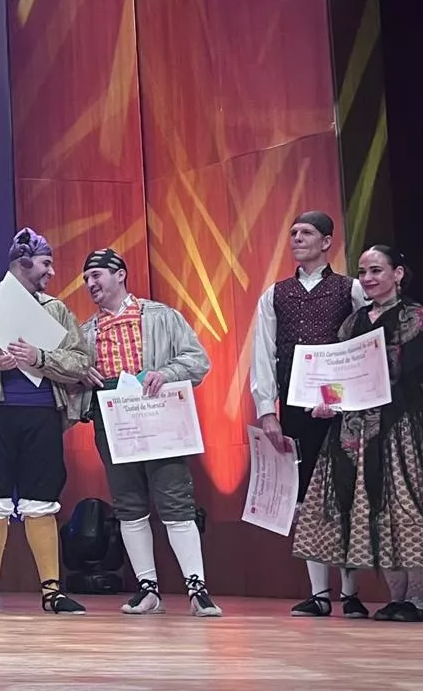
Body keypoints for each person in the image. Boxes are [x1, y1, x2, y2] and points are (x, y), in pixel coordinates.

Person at [0, 228, 92, 616]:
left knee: (42, 500)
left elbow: (80, 361)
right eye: (46, 263)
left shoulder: (56, 310)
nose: (52, 272)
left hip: (42, 415)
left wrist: (39, 357)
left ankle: (52, 591)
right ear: (23, 262)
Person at [78, 248, 220, 617]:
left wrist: (166, 374)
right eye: (86, 279)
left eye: (97, 275)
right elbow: (71, 384)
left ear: (120, 274)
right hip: (112, 417)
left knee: (175, 501)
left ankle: (196, 586)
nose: (91, 284)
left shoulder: (161, 316)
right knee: (129, 504)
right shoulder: (84, 333)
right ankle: (148, 587)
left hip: (158, 414)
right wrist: (82, 377)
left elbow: (198, 361)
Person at [247, 210, 370, 617]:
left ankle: (351, 592)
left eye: (307, 233)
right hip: (295, 405)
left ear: (327, 241)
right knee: (305, 497)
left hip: (342, 405)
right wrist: (267, 410)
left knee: (344, 493)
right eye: (294, 232)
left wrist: (351, 396)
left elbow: (366, 345)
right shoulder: (276, 294)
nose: (297, 238)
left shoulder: (350, 289)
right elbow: (263, 354)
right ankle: (319, 594)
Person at [292, 245, 423, 621]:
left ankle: (416, 599)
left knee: (405, 507)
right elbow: (339, 373)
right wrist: (327, 401)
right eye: (363, 271)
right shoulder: (354, 323)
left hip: (401, 428)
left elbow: (410, 378)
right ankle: (396, 598)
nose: (367, 278)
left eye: (376, 271)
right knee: (374, 510)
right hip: (357, 430)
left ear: (397, 274)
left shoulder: (414, 319)